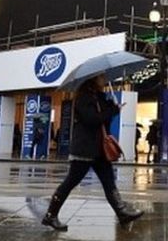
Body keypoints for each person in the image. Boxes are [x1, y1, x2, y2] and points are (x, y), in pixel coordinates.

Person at [41, 74, 144, 231]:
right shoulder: (84, 98)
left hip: (99, 150)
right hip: (85, 149)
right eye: (101, 78)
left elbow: (103, 121)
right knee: (70, 182)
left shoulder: (100, 96)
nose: (104, 80)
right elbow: (92, 120)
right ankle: (50, 215)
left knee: (109, 182)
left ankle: (122, 213)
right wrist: (110, 111)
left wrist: (113, 107)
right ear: (93, 80)